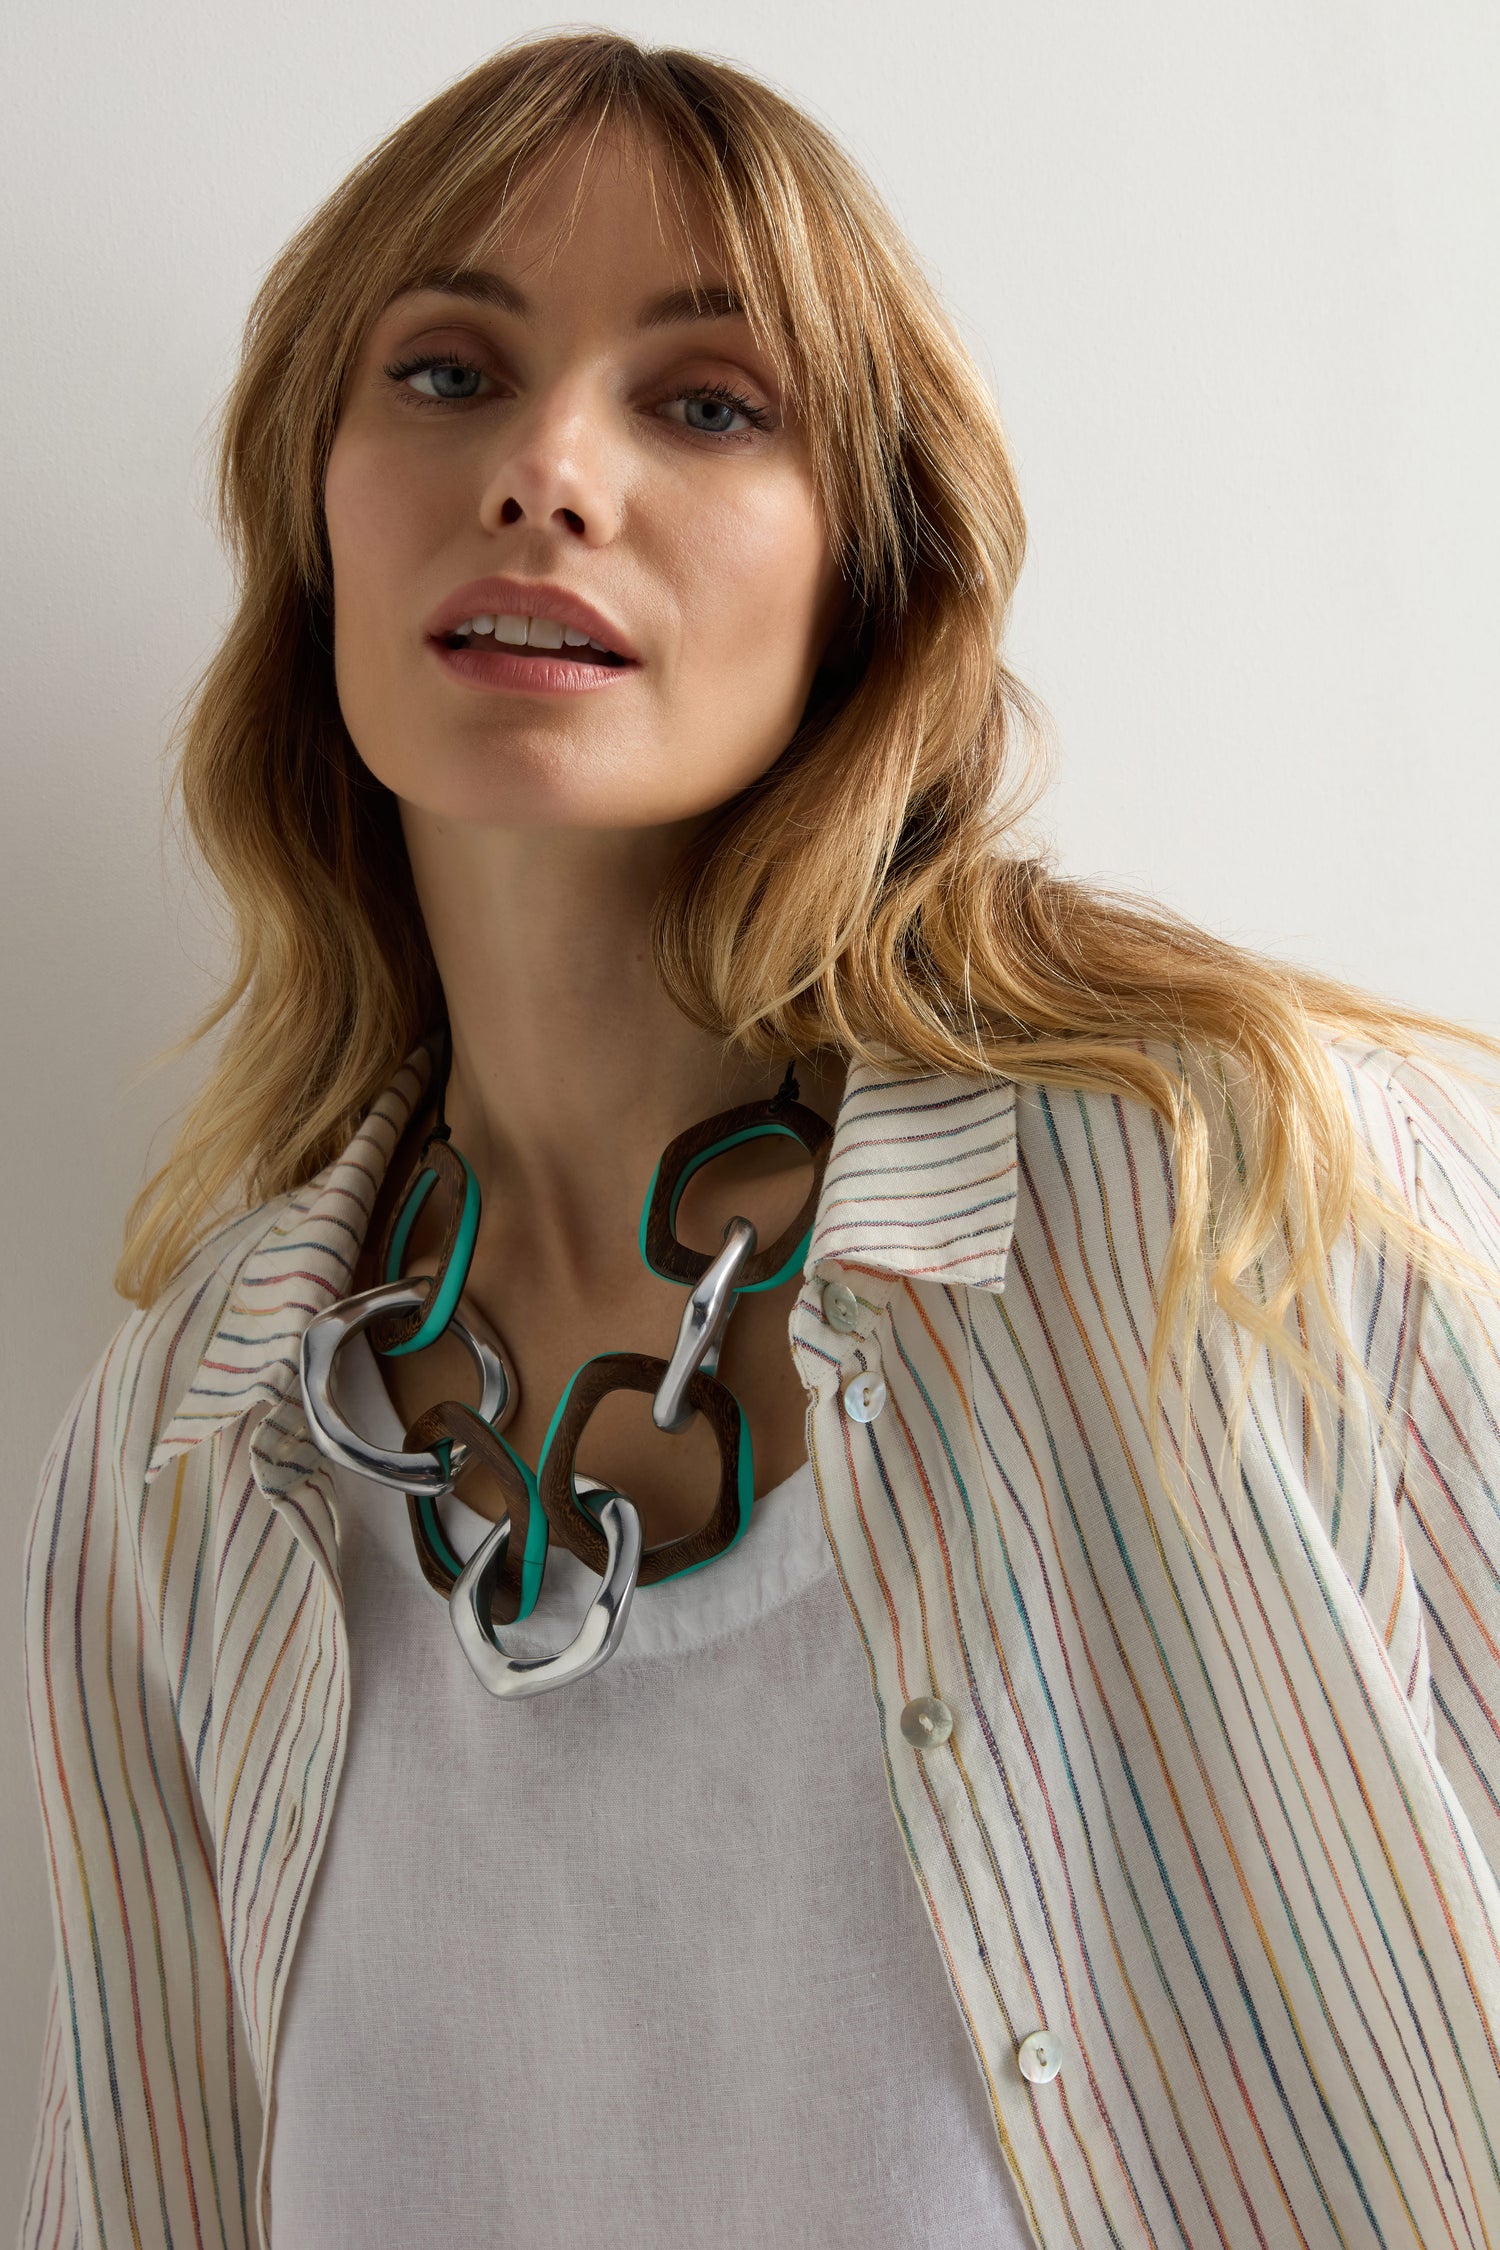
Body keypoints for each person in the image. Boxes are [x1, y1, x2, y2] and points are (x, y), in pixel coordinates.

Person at [18, 31, 1500, 2250]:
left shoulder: (1243, 1207)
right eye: (441, 372)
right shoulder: (179, 1461)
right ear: (312, 510)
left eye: (708, 402)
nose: (545, 467)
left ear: (869, 575)